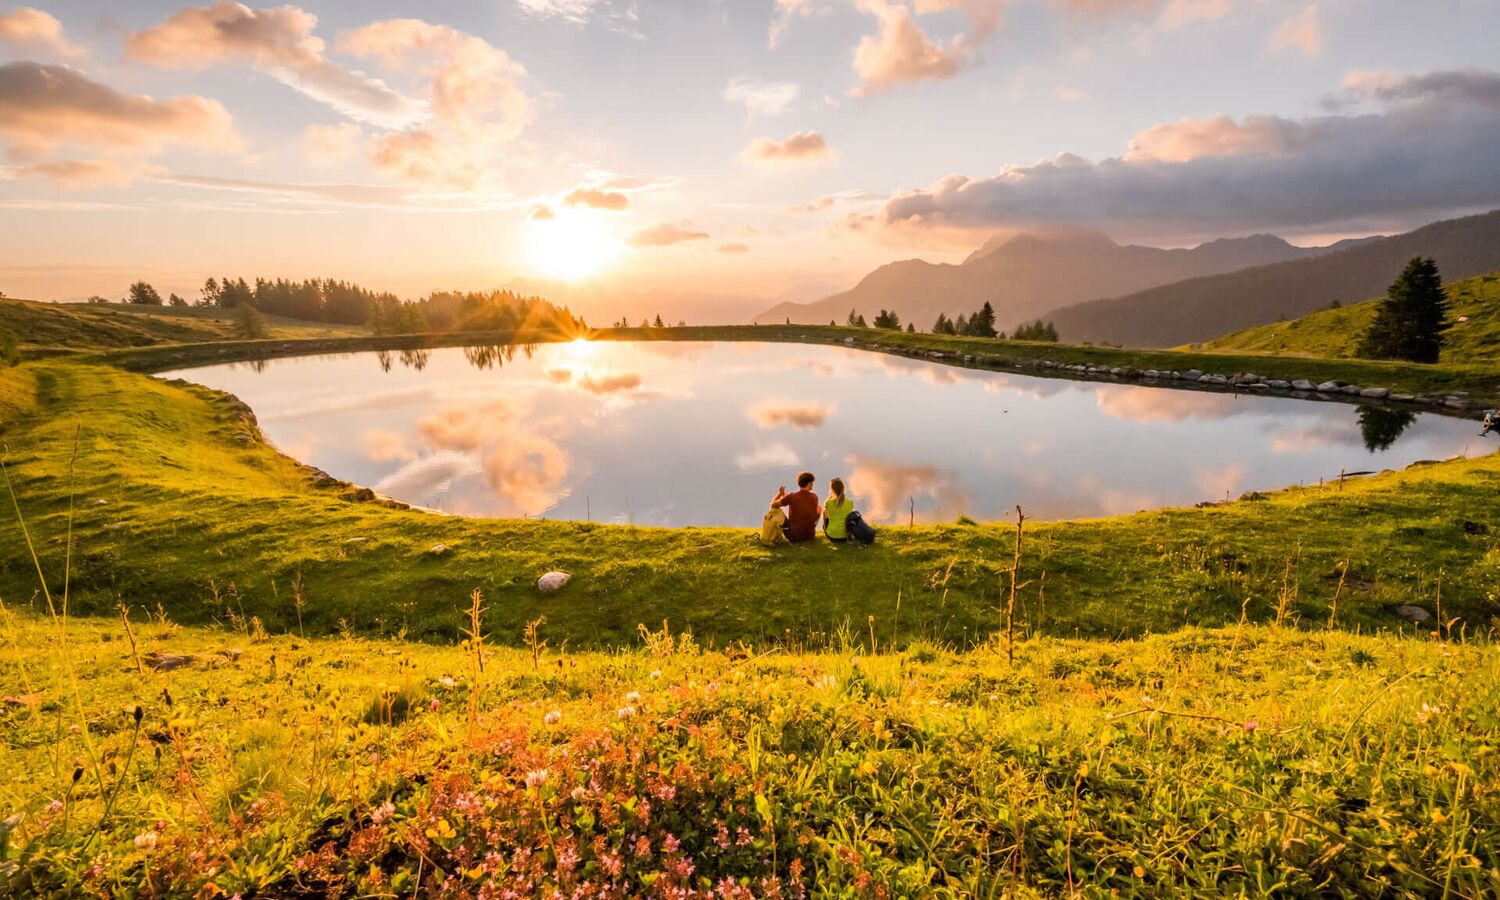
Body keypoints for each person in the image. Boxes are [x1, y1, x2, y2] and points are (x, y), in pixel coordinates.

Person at [771, 472, 820, 543]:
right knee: (819, 508)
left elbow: (773, 505)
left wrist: (780, 494)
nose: (813, 484)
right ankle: (809, 530)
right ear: (809, 483)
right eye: (812, 483)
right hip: (810, 536)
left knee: (777, 510)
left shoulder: (792, 496)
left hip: (793, 536)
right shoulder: (814, 497)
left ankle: (772, 534)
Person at [823, 477, 853, 542]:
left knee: (824, 513)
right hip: (846, 536)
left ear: (832, 490)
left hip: (832, 536)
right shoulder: (850, 502)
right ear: (843, 488)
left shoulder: (828, 503)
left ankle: (828, 529)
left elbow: (825, 517)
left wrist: (830, 497)